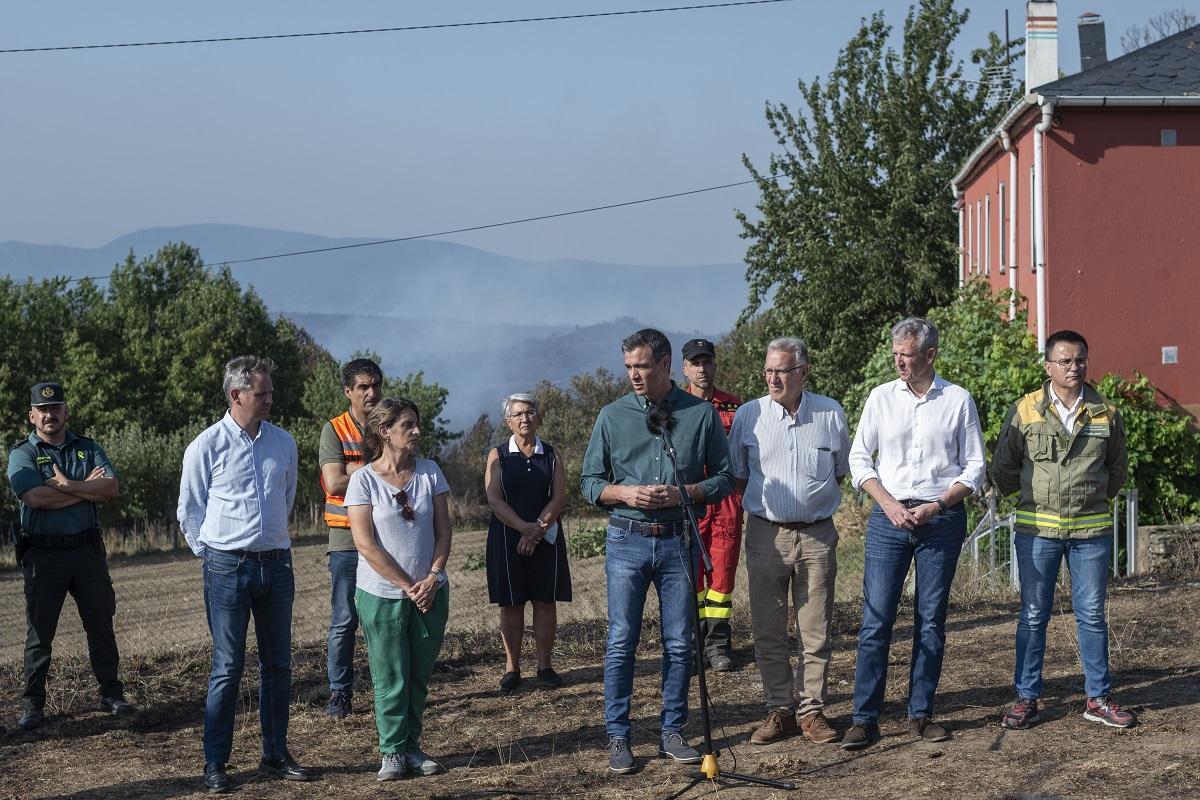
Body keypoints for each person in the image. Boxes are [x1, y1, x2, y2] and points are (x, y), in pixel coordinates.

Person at [581, 328, 735, 774]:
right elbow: (590, 483)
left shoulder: (700, 414)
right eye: (629, 367)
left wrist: (685, 491)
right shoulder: (611, 416)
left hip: (678, 540)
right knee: (621, 641)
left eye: (643, 367)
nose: (634, 375)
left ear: (667, 365)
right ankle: (618, 736)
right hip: (626, 539)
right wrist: (625, 494)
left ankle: (673, 730)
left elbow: (725, 477)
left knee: (679, 642)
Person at [843, 318, 986, 750]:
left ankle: (920, 713)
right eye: (896, 354)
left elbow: (975, 467)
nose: (900, 362)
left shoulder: (958, 399)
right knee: (876, 620)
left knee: (930, 621)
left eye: (907, 354)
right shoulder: (880, 398)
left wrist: (938, 504)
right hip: (888, 517)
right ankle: (864, 717)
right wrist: (887, 503)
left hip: (939, 519)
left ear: (930, 355)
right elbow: (859, 459)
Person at [178, 356, 314, 792]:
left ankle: (275, 753)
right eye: (262, 394)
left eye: (270, 392)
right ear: (237, 395)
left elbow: (286, 496)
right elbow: (189, 509)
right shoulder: (207, 445)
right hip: (226, 567)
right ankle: (215, 763)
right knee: (227, 667)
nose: (270, 399)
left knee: (278, 664)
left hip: (276, 563)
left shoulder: (284, 443)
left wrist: (266, 539)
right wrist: (211, 554)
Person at [992, 330, 1135, 730]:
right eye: (1066, 361)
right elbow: (1004, 467)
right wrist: (1025, 501)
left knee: (1090, 615)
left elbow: (1117, 468)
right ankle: (1026, 698)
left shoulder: (1105, 411)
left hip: (1091, 532)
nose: (1075, 368)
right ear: (1048, 366)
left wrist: (1094, 499)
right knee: (1034, 615)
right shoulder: (1025, 410)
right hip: (1037, 530)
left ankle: (1098, 698)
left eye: (1081, 360)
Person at [727, 338, 849, 746]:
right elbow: (740, 475)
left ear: (803, 372)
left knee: (815, 629)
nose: (773, 378)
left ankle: (811, 710)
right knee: (768, 629)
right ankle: (779, 709)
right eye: (768, 371)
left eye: (782, 370)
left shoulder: (830, 412)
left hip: (816, 533)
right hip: (766, 534)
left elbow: (840, 471)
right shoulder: (749, 415)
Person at [6, 381, 136, 732]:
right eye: (43, 410)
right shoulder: (23, 454)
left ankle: (111, 693)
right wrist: (85, 491)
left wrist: (66, 487)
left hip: (87, 552)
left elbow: (110, 487)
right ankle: (33, 704)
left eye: (56, 408)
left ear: (66, 412)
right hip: (43, 555)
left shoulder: (87, 447)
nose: (50, 415)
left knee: (100, 625)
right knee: (39, 632)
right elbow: (36, 498)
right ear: (32, 415)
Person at [343, 397, 452, 781]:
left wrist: (434, 577)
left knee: (419, 674)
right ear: (384, 431)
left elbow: (443, 531)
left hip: (430, 593)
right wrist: (408, 586)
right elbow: (365, 543)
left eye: (416, 424)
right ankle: (390, 751)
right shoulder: (363, 480)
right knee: (391, 676)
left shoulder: (430, 472)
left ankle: (411, 747)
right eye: (408, 425)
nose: (418, 431)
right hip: (382, 595)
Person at [484, 393, 570, 694]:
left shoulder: (552, 454)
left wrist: (537, 530)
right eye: (518, 414)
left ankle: (545, 666)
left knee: (546, 601)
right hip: (508, 538)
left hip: (545, 538)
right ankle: (512, 668)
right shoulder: (498, 455)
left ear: (538, 416)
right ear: (508, 420)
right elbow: (494, 498)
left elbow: (558, 497)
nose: (524, 418)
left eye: (530, 412)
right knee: (512, 603)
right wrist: (523, 528)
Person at [318, 358, 383, 718]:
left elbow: (402, 469)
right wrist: (374, 468)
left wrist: (355, 469)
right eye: (363, 387)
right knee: (345, 619)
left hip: (384, 536)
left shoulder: (386, 423)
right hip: (345, 540)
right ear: (348, 391)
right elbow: (333, 482)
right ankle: (340, 693)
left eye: (375, 385)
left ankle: (384, 688)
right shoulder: (334, 429)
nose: (371, 392)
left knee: (382, 618)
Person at [680, 338, 744, 672]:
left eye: (707, 362)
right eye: (696, 363)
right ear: (685, 368)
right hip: (688, 501)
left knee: (721, 577)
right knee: (690, 576)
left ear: (715, 365)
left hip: (726, 501)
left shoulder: (735, 407)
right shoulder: (674, 406)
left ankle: (718, 644)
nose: (702, 369)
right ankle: (692, 644)